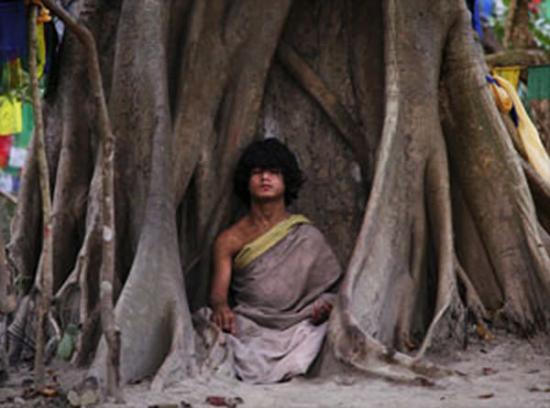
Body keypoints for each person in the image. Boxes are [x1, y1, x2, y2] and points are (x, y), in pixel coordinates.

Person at [206, 138, 342, 384]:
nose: (265, 178)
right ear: (246, 181)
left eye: (273, 172)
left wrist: (325, 306)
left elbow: (332, 290)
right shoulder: (229, 240)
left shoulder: (307, 236)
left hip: (301, 324)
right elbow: (218, 295)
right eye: (257, 172)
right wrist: (220, 308)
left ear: (286, 180)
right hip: (251, 325)